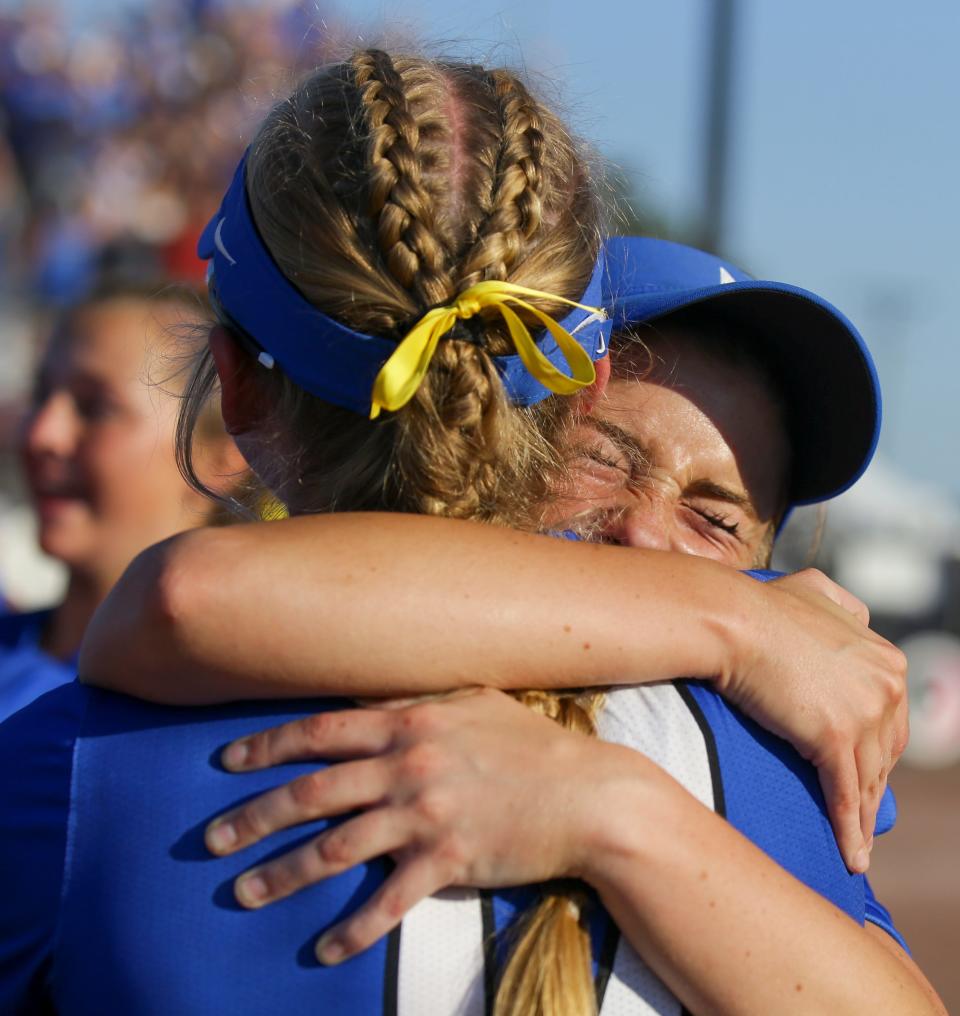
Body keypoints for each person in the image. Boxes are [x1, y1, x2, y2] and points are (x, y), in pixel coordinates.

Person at [0, 52, 941, 1015]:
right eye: (611, 459)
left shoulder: (71, 772)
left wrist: (614, 805)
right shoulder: (762, 762)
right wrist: (734, 630)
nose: (650, 542)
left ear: (232, 382)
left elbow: (185, 597)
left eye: (714, 518)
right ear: (577, 388)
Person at [0, 280, 244, 722]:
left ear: (222, 456)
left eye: (95, 407)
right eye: (39, 395)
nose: (41, 435)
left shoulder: (226, 703)